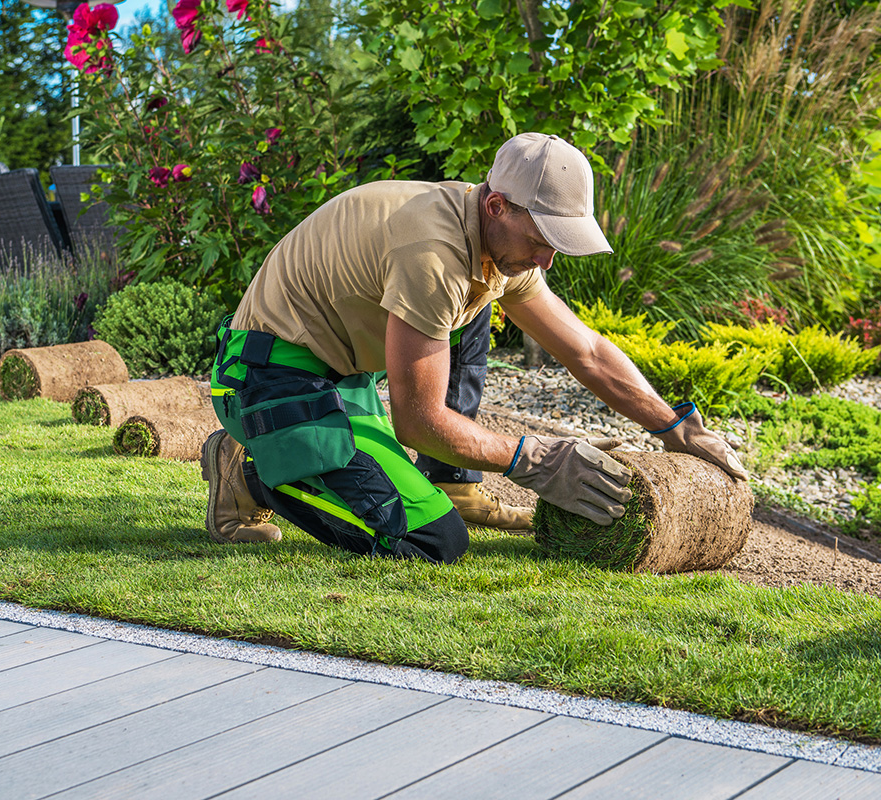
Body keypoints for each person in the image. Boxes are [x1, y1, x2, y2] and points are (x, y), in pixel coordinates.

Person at [201, 132, 747, 564]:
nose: (547, 261)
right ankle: (249, 465)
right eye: (540, 241)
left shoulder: (496, 247)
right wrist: (531, 457)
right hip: (268, 379)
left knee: (479, 302)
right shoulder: (432, 252)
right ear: (496, 205)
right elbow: (417, 422)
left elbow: (587, 352)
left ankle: (441, 479)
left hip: (340, 381)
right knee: (435, 544)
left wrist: (674, 426)